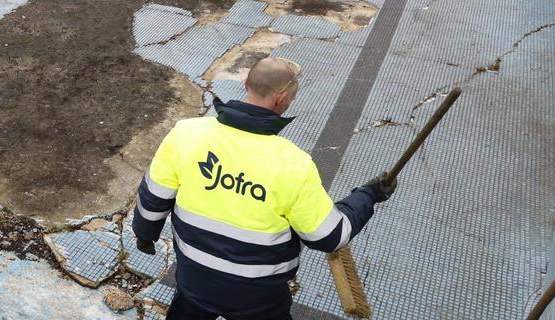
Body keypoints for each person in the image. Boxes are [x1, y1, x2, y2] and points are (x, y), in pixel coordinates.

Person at [132, 58, 395, 320]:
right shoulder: (294, 164)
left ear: (246, 83)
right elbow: (330, 236)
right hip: (257, 297)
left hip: (194, 281)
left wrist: (145, 234)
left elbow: (153, 198)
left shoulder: (186, 134)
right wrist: (369, 194)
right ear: (283, 99)